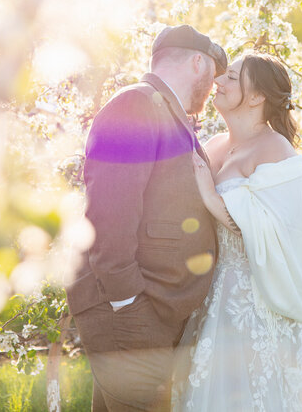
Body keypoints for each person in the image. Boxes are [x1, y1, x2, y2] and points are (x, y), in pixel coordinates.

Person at [66, 25, 228, 411]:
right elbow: (109, 215)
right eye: (213, 78)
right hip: (130, 310)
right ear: (197, 62)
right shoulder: (135, 105)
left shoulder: (165, 112)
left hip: (145, 310)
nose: (212, 89)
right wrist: (128, 302)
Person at [173, 54, 302, 411]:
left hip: (260, 305)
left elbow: (273, 234)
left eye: (230, 77)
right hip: (210, 299)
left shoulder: (278, 151)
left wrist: (211, 197)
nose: (218, 82)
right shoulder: (212, 146)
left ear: (257, 97)